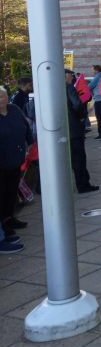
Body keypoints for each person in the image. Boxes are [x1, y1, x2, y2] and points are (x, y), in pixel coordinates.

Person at [0, 86, 32, 247]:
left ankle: (10, 218)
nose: (1, 99)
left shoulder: (13, 109)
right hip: (1, 162)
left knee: (12, 192)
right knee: (2, 193)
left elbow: (25, 126)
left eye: (2, 96)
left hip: (15, 159)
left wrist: (30, 142)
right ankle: (4, 226)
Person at [65, 69, 99, 193]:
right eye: (70, 76)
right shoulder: (68, 88)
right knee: (79, 158)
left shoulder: (51, 88)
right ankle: (83, 184)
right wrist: (81, 116)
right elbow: (77, 105)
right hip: (74, 128)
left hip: (62, 130)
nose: (71, 78)